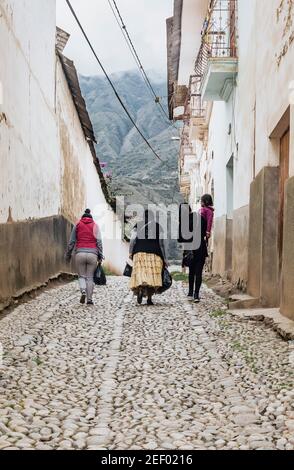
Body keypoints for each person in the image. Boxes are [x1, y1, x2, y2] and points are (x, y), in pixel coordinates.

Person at [129, 210, 168, 305]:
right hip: (155, 254)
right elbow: (161, 243)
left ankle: (141, 289)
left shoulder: (138, 225)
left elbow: (132, 239)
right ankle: (149, 298)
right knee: (152, 277)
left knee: (141, 273)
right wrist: (165, 258)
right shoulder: (158, 227)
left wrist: (130, 252)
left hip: (139, 253)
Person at [65, 209, 103, 306]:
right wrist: (100, 255)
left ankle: (83, 291)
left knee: (82, 276)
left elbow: (72, 242)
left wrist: (68, 254)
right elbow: (99, 242)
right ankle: (89, 299)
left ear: (82, 218)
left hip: (80, 253)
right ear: (91, 218)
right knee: (90, 277)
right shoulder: (95, 226)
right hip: (93, 254)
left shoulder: (77, 225)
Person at [187, 211, 209, 303]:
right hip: (201, 247)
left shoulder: (187, 221)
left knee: (191, 271)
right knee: (198, 272)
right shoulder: (203, 220)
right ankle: (196, 294)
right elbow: (205, 234)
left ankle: (190, 292)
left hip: (191, 247)